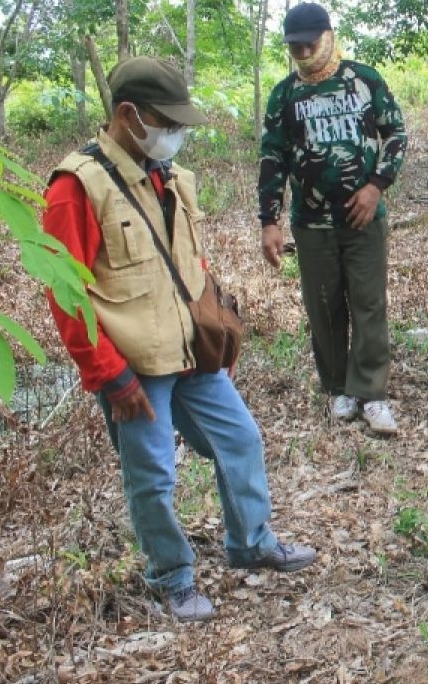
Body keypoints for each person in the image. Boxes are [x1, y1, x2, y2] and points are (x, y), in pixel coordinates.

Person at [42, 57, 317, 623]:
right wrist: (108, 375)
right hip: (134, 363)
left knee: (239, 440)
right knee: (153, 475)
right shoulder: (77, 187)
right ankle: (172, 576)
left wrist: (212, 334)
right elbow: (65, 294)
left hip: (192, 352)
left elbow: (188, 264)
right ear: (127, 114)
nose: (177, 134)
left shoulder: (171, 178)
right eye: (167, 122)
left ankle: (251, 542)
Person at [258, 2, 408, 435]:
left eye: (309, 44)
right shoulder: (285, 95)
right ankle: (340, 387)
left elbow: (395, 132)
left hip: (363, 219)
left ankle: (372, 393)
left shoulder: (364, 80)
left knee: (368, 302)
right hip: (311, 221)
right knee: (324, 307)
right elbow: (272, 157)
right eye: (295, 47)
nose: (303, 53)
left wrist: (376, 184)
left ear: (328, 36)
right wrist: (269, 220)